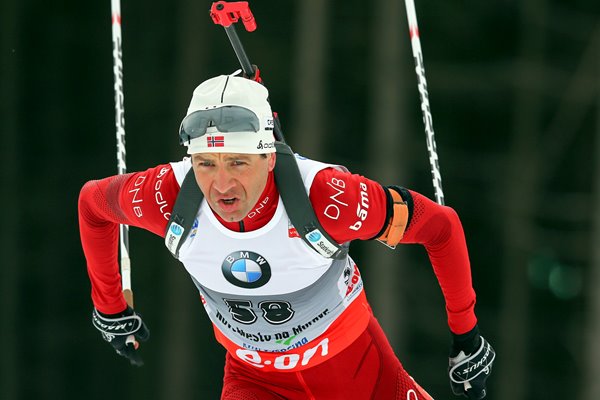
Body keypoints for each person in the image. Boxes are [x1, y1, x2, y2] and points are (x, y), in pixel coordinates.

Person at [78, 73, 495, 399]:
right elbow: (93, 204)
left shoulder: (327, 197)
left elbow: (439, 226)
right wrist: (109, 307)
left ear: (268, 153)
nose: (221, 185)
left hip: (362, 378)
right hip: (255, 384)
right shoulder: (166, 195)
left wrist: (467, 334)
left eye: (238, 163)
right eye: (206, 164)